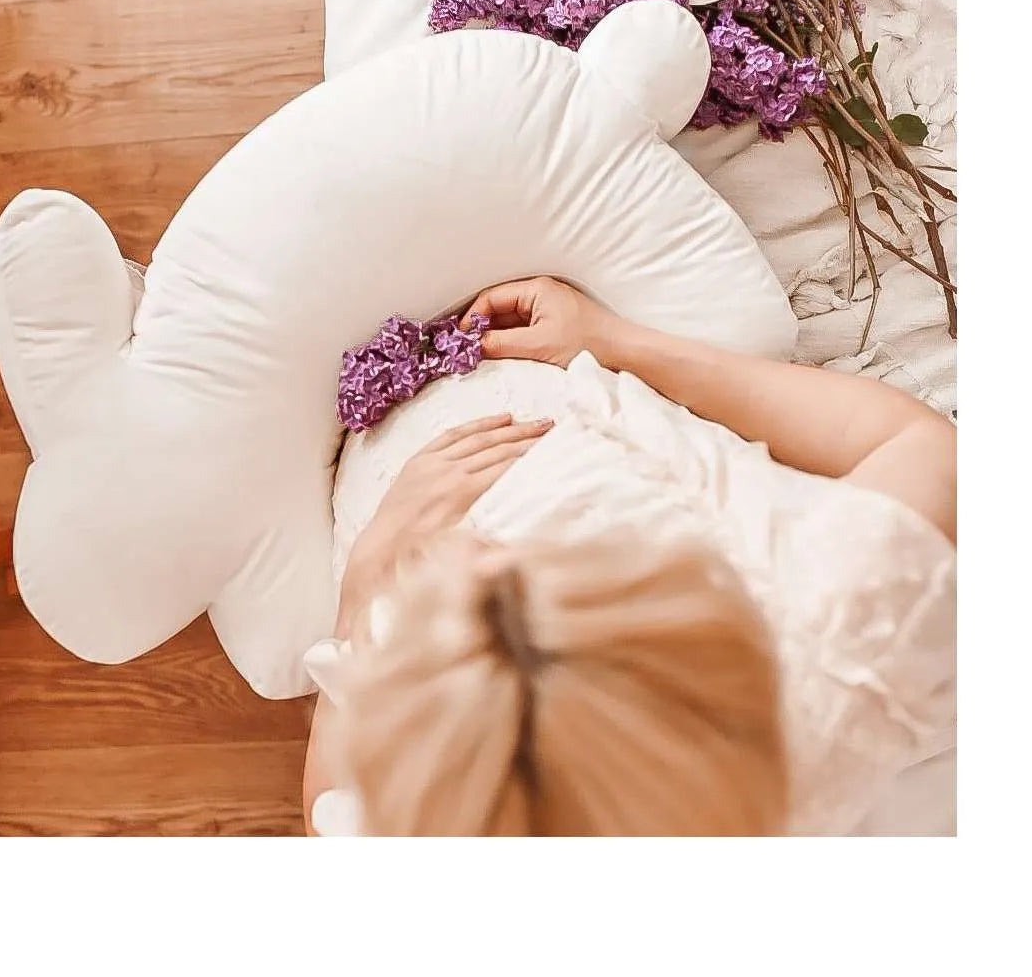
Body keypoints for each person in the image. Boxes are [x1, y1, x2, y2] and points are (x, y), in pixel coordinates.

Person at [302, 277, 957, 837]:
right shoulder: (840, 644)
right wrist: (615, 342)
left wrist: (362, 595)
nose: (479, 549)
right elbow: (921, 449)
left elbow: (326, 817)